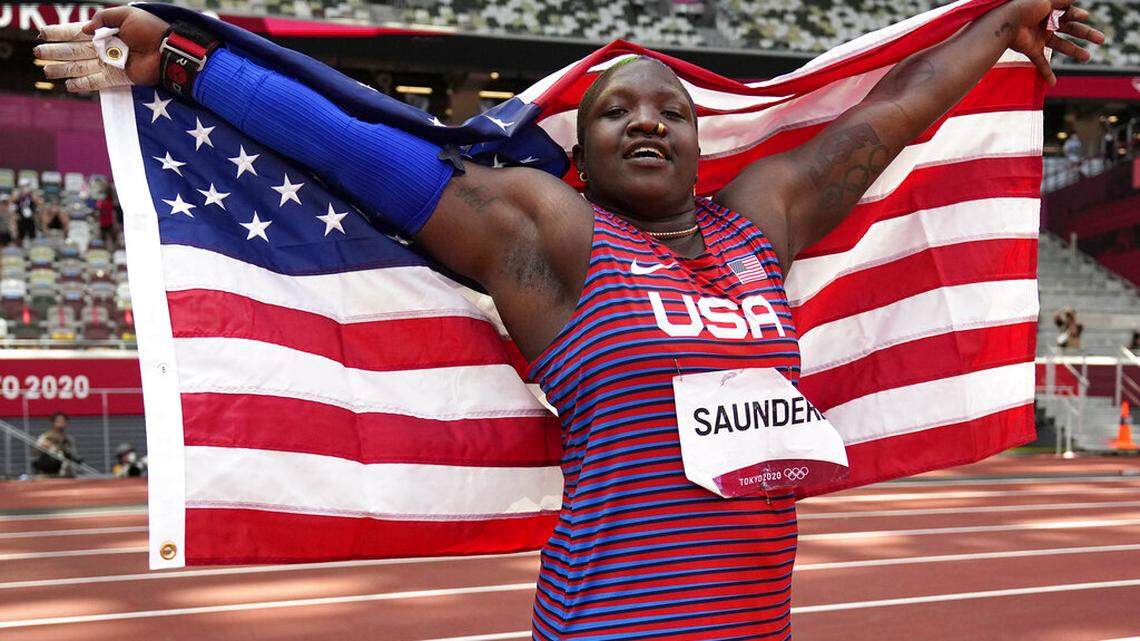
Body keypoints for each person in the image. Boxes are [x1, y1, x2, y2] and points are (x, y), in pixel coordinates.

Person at [37, 1, 1102, 637]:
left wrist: (1002, 23)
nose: (648, 119)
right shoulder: (553, 235)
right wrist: (185, 64)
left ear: (697, 139)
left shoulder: (758, 224)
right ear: (579, 153)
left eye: (670, 109)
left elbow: (889, 119)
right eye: (616, 111)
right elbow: (371, 156)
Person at [31, 412, 82, 477]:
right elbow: (35, 453)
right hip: (46, 474)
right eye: (58, 421)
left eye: (63, 421)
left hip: (65, 475)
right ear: (53, 423)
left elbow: (72, 456)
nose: (61, 424)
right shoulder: (46, 437)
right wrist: (44, 447)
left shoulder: (68, 440)